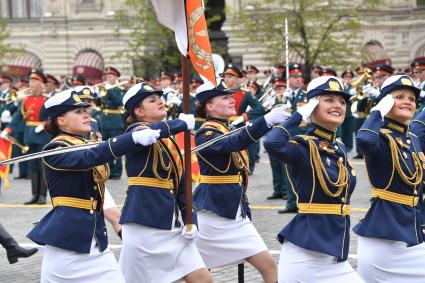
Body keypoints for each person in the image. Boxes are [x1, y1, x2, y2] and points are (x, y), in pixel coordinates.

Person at [26, 89, 161, 282]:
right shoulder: (55, 149)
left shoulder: (84, 143)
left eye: (85, 110)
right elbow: (90, 157)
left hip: (96, 240)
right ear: (61, 121)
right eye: (78, 112)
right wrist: (130, 139)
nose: (86, 114)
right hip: (68, 244)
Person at [264, 76, 363, 282]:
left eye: (342, 101)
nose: (337, 105)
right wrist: (297, 116)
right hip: (305, 256)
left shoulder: (339, 148)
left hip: (334, 253)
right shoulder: (303, 146)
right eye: (328, 100)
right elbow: (273, 144)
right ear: (312, 106)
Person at [193, 80, 289, 283]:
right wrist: (266, 120)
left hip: (234, 211)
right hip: (212, 212)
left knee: (268, 264)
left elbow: (236, 138)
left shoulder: (225, 128)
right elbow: (234, 142)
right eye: (225, 97)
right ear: (209, 106)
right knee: (199, 273)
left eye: (231, 96)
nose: (231, 100)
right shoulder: (206, 133)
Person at [119, 82, 212, 283]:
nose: (160, 102)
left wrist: (191, 220)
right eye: (152, 100)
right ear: (138, 112)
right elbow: (152, 133)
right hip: (144, 226)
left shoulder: (168, 140)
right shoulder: (136, 133)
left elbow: (182, 187)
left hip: (172, 226)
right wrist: (180, 124)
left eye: (160, 98)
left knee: (203, 279)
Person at [354, 75, 425, 282]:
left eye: (412, 99)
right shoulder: (379, 135)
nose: (408, 102)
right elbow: (364, 141)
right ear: (386, 102)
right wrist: (377, 111)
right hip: (384, 240)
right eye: (399, 97)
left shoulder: (412, 138)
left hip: (411, 232)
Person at [75, 85, 123, 239]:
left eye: (90, 102)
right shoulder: (72, 124)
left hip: (95, 179)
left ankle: (137, 252)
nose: (87, 107)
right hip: (78, 182)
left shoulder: (94, 122)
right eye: (83, 103)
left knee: (116, 217)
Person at [2, 69, 51, 204]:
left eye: (35, 81)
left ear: (42, 84)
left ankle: (42, 195)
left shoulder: (47, 100)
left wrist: (44, 125)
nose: (31, 83)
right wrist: (7, 129)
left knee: (42, 166)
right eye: (30, 81)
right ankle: (34, 195)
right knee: (33, 166)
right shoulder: (26, 100)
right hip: (29, 136)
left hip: (43, 136)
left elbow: (54, 117)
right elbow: (17, 117)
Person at [99, 67, 126, 180]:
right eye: (107, 76)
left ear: (116, 77)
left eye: (110, 76)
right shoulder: (105, 88)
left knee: (116, 147)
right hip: (104, 122)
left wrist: (110, 90)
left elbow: (119, 102)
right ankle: (108, 170)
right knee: (105, 147)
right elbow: (100, 103)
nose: (108, 78)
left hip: (115, 121)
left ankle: (116, 172)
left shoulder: (120, 89)